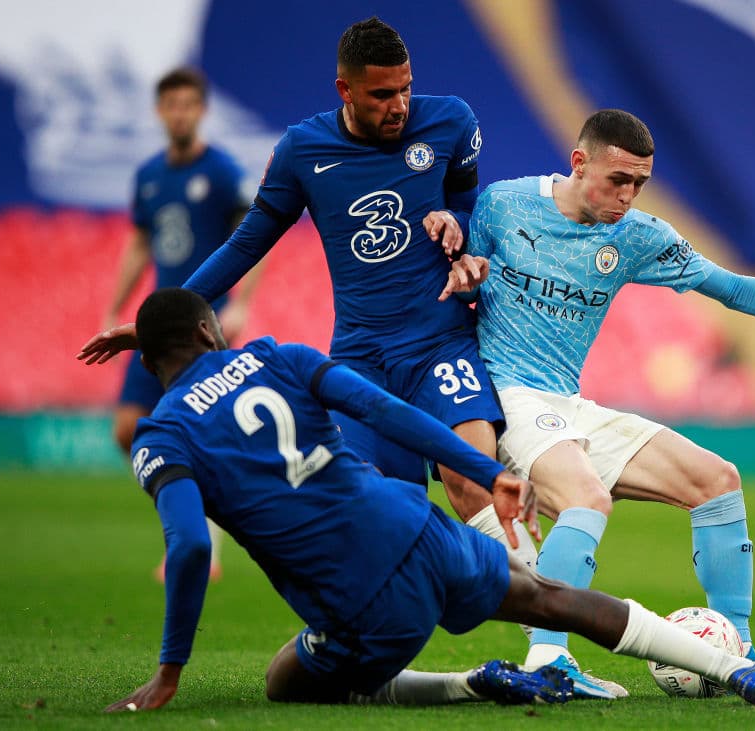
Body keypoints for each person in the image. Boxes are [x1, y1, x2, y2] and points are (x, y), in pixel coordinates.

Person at [78, 17, 561, 688]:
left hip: (439, 339)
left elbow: (467, 201)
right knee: (382, 514)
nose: (399, 105)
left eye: (405, 89)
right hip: (360, 355)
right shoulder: (304, 150)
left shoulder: (451, 121)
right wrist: (164, 318)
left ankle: (552, 649)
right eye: (381, 94)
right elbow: (248, 241)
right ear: (345, 90)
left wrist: (461, 232)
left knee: (468, 477)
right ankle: (406, 671)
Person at [103, 287, 755, 712]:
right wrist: (486, 468)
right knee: (549, 599)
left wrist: (169, 670)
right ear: (208, 329)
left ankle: (469, 683)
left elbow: (190, 545)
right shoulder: (277, 356)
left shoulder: (160, 436)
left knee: (284, 679)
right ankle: (743, 671)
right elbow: (384, 410)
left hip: (358, 597)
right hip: (418, 527)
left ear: (148, 359)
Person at [441, 109, 755, 680]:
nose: (627, 196)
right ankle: (549, 659)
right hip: (508, 393)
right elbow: (452, 283)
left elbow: (729, 286)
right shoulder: (504, 204)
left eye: (639, 183)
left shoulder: (638, 235)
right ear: (579, 162)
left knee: (717, 480)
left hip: (567, 402)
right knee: (585, 498)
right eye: (618, 180)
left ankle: (735, 649)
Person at [103, 66, 265, 581]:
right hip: (156, 319)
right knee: (128, 428)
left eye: (188, 105)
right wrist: (115, 305)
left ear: (201, 111)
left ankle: (199, 542)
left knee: (198, 426)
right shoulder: (150, 176)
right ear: (160, 111)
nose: (179, 114)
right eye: (171, 105)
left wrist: (240, 303)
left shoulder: (221, 172)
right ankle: (189, 524)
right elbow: (140, 243)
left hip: (201, 323)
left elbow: (253, 237)